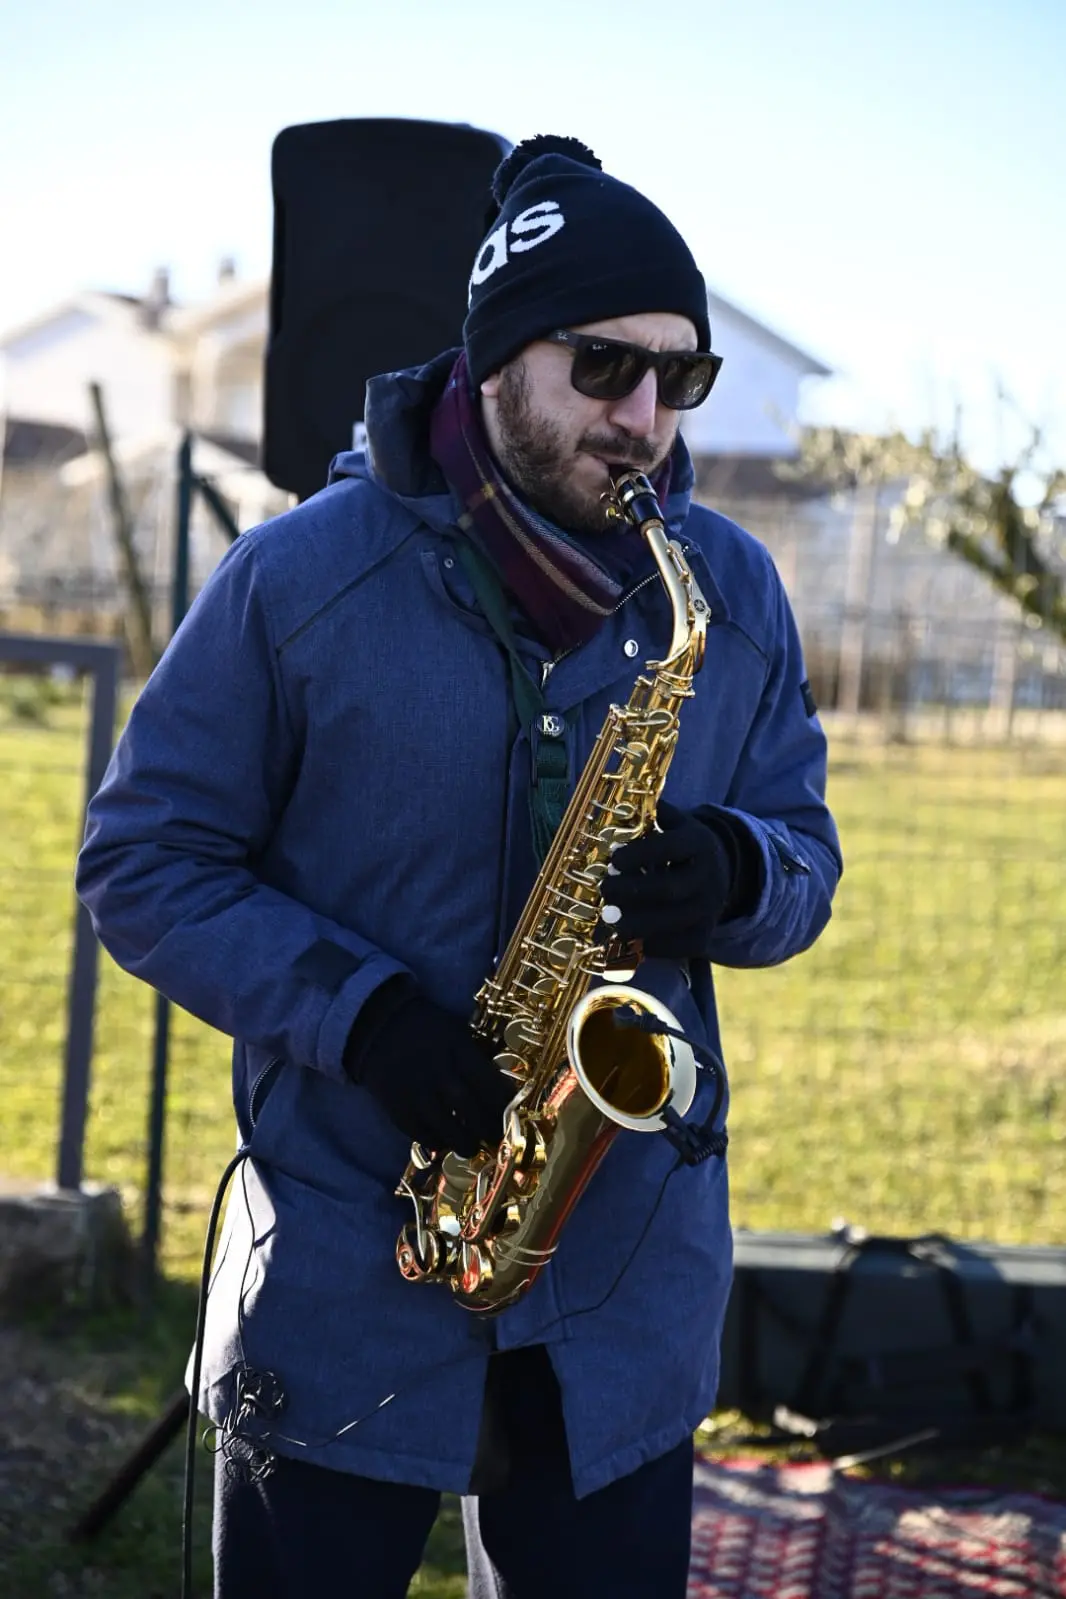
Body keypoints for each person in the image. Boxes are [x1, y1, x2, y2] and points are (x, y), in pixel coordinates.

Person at [76, 134, 842, 1599]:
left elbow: (806, 851)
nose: (644, 422)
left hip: (622, 1290)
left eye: (679, 380)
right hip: (345, 1272)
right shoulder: (299, 577)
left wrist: (734, 874)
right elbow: (143, 859)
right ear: (494, 357)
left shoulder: (727, 590)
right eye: (603, 367)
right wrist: (361, 1016)